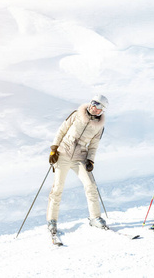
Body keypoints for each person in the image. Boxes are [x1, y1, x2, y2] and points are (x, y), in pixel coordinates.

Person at [46, 95, 109, 234]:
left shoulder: (99, 127)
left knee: (91, 186)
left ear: (102, 110)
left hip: (80, 158)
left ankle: (95, 218)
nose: (94, 107)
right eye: (93, 103)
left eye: (98, 106)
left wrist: (90, 160)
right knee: (57, 188)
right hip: (62, 154)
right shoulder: (76, 114)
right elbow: (62, 130)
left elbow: (93, 145)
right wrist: (54, 149)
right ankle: (52, 221)